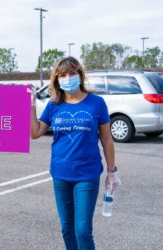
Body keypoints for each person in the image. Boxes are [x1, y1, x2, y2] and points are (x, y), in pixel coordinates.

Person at [30, 57, 121, 250]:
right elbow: (36, 133)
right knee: (67, 229)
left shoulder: (96, 103)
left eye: (71, 73)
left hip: (86, 175)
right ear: (57, 80)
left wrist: (112, 172)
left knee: (82, 230)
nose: (67, 78)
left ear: (80, 75)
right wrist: (30, 107)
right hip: (60, 174)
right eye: (62, 75)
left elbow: (106, 139)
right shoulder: (54, 104)